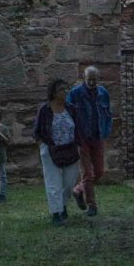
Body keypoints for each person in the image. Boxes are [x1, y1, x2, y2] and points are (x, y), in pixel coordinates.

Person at [34, 79, 81, 225]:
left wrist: (79, 143)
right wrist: (44, 146)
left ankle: (63, 204)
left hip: (70, 149)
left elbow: (78, 128)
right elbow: (37, 131)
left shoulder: (72, 109)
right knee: (53, 182)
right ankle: (56, 213)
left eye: (66, 89)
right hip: (50, 149)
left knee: (68, 182)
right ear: (53, 92)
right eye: (62, 89)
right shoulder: (45, 110)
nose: (65, 92)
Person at [68, 66, 113, 217]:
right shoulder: (75, 94)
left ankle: (78, 190)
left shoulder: (103, 93)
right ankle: (92, 205)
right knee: (87, 173)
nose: (92, 83)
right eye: (89, 80)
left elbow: (108, 115)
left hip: (98, 137)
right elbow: (68, 115)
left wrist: (106, 131)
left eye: (95, 80)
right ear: (84, 78)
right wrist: (74, 135)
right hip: (82, 139)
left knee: (99, 172)